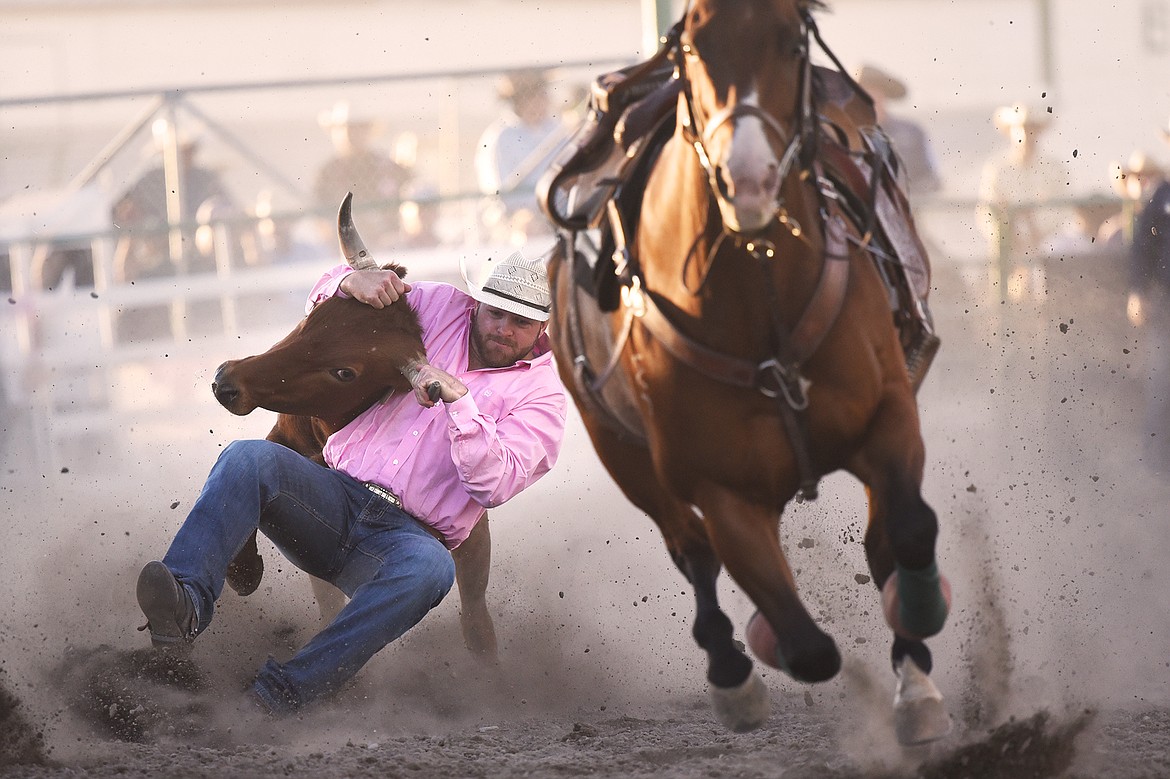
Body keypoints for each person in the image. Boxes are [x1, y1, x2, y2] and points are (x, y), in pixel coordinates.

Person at [134, 250, 567, 715]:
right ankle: (185, 604)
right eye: (495, 312)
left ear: (541, 329)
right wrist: (348, 285)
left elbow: (494, 485)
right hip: (336, 496)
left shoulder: (543, 400)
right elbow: (337, 315)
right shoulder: (438, 305)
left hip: (410, 539)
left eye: (519, 322)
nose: (502, 328)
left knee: (433, 570)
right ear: (477, 303)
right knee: (249, 458)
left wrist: (460, 406)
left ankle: (281, 695)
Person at [976, 102, 1072, 300]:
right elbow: (985, 213)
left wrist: (1035, 234)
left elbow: (1062, 211)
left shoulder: (1055, 169)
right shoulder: (997, 169)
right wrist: (1007, 235)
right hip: (1007, 250)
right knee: (998, 295)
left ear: (1038, 132)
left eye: (1030, 128)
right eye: (1021, 128)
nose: (1025, 134)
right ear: (1011, 131)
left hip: (1047, 248)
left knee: (1051, 297)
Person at [474, 69, 570, 243]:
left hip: (558, 216)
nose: (543, 100)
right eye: (536, 94)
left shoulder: (559, 131)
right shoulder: (500, 137)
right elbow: (498, 196)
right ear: (521, 100)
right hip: (513, 228)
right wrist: (524, 217)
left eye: (543, 93)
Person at [1126, 123, 1170, 469]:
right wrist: (1138, 291)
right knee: (1161, 380)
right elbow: (1142, 246)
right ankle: (1154, 464)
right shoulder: (1163, 195)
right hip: (1167, 304)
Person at [313, 102, 413, 247]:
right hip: (344, 244)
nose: (351, 133)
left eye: (358, 128)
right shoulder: (327, 172)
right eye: (345, 128)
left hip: (390, 243)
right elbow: (320, 215)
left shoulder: (389, 168)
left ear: (368, 131)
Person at [853, 64, 942, 202]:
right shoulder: (846, 135)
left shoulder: (912, 132)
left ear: (883, 94)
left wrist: (903, 191)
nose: (868, 97)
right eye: (862, 91)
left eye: (873, 90)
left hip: (908, 213)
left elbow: (932, 179)